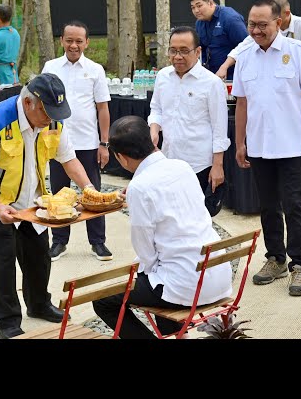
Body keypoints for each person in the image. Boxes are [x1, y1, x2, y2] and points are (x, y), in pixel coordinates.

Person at [0, 73, 95, 339]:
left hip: (31, 199)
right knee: (4, 259)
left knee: (38, 255)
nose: (51, 119)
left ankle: (38, 304)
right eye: (47, 112)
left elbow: (68, 159)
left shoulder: (52, 122)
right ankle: (7, 321)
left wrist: (89, 189)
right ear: (28, 104)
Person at [92, 116, 232, 339]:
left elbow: (145, 251)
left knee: (104, 300)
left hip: (187, 286)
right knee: (156, 279)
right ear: (152, 141)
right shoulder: (182, 166)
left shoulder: (139, 187)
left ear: (121, 158)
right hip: (218, 274)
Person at [232, 0, 301, 297]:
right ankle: (276, 258)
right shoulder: (245, 55)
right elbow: (242, 103)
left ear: (279, 23)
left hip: (294, 147)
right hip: (259, 147)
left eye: (262, 25)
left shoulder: (298, 53)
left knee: (295, 205)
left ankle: (300, 264)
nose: (256, 30)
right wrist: (241, 143)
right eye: (251, 24)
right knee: (268, 206)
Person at [41, 20, 112, 261]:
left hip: (87, 143)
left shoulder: (95, 69)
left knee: (93, 194)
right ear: (61, 40)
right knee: (59, 194)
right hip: (57, 141)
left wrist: (104, 143)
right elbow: (43, 104)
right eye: (69, 40)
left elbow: (102, 108)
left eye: (79, 41)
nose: (74, 45)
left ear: (87, 43)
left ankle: (98, 242)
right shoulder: (50, 66)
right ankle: (59, 242)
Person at [147, 26, 230, 213]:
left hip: (198, 165)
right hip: (168, 159)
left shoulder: (211, 83)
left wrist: (218, 166)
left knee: (196, 219)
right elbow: (156, 108)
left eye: (184, 51)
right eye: (173, 51)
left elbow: (219, 129)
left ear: (198, 52)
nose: (178, 56)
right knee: (169, 216)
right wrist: (154, 129)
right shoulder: (162, 77)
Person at [218, 0, 301, 104]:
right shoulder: (262, 30)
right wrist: (225, 66)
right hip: (279, 82)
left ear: (285, 14)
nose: (257, 29)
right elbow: (242, 48)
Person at [189, 0, 248, 82]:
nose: (196, 10)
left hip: (233, 76)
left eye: (199, 6)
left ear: (211, 3)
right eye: (193, 7)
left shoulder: (230, 18)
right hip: (211, 76)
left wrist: (225, 66)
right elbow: (201, 49)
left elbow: (246, 46)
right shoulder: (199, 23)